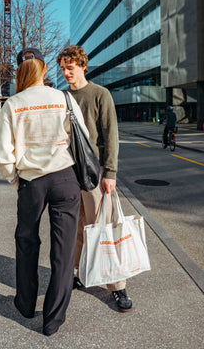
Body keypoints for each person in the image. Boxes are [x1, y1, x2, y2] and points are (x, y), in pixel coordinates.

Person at [0, 47, 89, 336]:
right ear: (44, 70)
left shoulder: (13, 104)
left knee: (26, 241)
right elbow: (80, 136)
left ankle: (25, 304)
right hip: (65, 179)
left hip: (32, 182)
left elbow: (1, 155)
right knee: (63, 249)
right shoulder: (64, 98)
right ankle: (53, 320)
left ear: (20, 71)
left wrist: (16, 180)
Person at [57, 45, 133, 312]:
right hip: (67, 172)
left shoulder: (100, 94)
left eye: (71, 67)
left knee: (106, 227)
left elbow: (110, 135)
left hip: (95, 172)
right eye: (63, 68)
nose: (66, 72)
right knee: (76, 227)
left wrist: (110, 172)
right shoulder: (61, 97)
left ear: (83, 66)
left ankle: (117, 286)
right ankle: (79, 273)